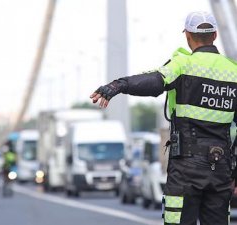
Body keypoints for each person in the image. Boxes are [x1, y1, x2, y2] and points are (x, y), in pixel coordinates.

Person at [90, 11, 237, 225]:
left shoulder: (183, 64)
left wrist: (117, 85)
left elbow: (154, 81)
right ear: (215, 35)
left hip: (186, 168)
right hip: (221, 168)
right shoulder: (233, 72)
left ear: (187, 35)